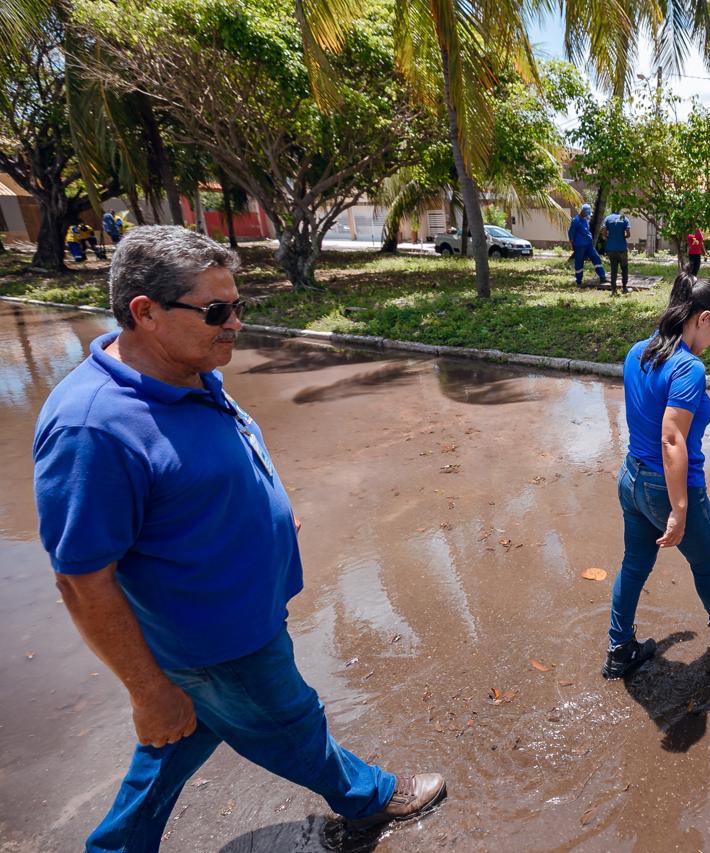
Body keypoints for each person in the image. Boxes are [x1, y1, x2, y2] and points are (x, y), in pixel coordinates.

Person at [32, 227, 445, 852]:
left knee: (182, 733)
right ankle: (370, 797)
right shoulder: (93, 429)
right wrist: (149, 693)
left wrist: (266, 515)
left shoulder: (188, 371)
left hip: (238, 618)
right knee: (291, 721)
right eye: (216, 312)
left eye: (238, 307)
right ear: (144, 312)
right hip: (217, 643)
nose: (235, 325)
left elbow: (201, 476)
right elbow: (82, 579)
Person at [602, 271, 710, 679]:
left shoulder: (638, 352)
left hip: (632, 478)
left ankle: (619, 649)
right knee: (707, 562)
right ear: (702, 318)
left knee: (634, 565)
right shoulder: (688, 368)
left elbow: (646, 416)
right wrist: (678, 509)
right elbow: (672, 438)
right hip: (669, 486)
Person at [569, 203, 606, 288]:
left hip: (589, 245)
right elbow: (571, 234)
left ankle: (602, 277)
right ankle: (579, 281)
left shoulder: (585, 219)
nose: (587, 215)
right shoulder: (575, 221)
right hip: (579, 246)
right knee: (579, 262)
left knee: (596, 258)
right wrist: (572, 245)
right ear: (582, 211)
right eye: (586, 213)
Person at [601, 209, 631, 295]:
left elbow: (603, 232)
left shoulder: (607, 218)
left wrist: (609, 237)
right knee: (624, 268)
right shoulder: (624, 218)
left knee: (613, 269)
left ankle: (613, 290)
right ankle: (624, 288)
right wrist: (622, 237)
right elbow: (628, 234)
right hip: (622, 248)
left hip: (611, 248)